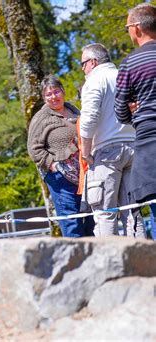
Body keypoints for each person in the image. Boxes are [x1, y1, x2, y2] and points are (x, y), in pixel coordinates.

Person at [79, 43, 145, 238]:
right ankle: (142, 262)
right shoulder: (124, 76)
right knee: (133, 211)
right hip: (133, 148)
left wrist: (85, 151)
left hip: (107, 152)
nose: (82, 69)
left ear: (92, 62)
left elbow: (89, 118)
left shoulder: (94, 80)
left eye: (83, 64)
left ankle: (110, 265)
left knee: (104, 213)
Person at [27, 75, 85, 237]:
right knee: (72, 224)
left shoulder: (74, 110)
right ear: (44, 98)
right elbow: (33, 148)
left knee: (90, 221)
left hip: (83, 175)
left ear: (63, 91)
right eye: (48, 94)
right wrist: (52, 165)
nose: (53, 97)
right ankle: (76, 261)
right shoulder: (41, 118)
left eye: (56, 92)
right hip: (60, 179)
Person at [115, 3, 156, 222]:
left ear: (137, 28)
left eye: (128, 27)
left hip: (149, 143)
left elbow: (120, 112)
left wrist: (133, 111)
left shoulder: (130, 63)